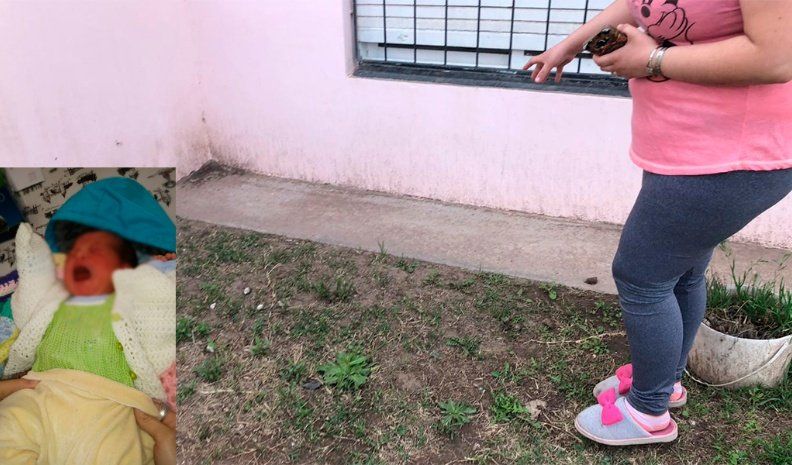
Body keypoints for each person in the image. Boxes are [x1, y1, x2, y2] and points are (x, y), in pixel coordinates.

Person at [524, 0, 792, 446]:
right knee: (682, 272)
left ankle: (649, 412)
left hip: (729, 158)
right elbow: (638, 5)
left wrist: (651, 59)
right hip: (688, 150)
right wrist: (570, 45)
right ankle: (665, 382)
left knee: (642, 275)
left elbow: (775, 57)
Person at [0, 177, 176, 463]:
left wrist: (165, 268)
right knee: (7, 436)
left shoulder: (144, 287)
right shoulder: (58, 287)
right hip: (42, 390)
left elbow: (168, 312)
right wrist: (35, 262)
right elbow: (26, 307)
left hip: (114, 405)